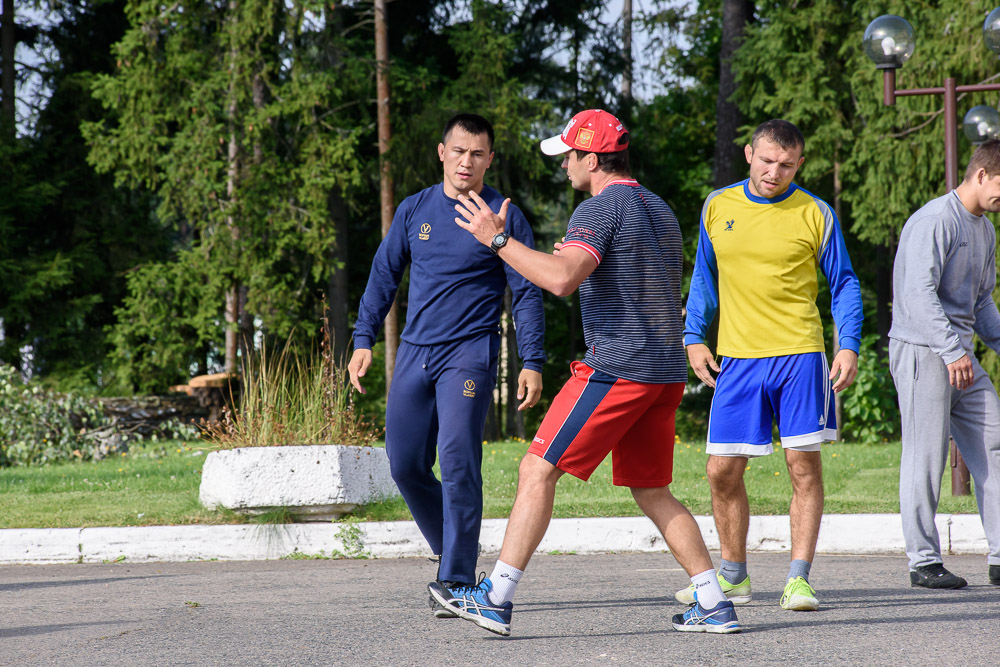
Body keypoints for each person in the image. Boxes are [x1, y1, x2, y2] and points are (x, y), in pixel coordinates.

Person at [429, 108, 742, 636]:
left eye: (570, 156)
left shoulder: (598, 208)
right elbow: (624, 276)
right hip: (664, 372)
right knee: (652, 489)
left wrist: (498, 241)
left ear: (592, 159)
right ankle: (714, 602)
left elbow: (560, 281)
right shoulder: (659, 207)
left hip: (617, 367)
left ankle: (496, 599)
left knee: (536, 470)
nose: (565, 165)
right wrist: (569, 261)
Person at [348, 113, 546, 614]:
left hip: (469, 355)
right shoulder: (415, 209)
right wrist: (363, 337)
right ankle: (453, 549)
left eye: (477, 153)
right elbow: (384, 275)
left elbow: (526, 291)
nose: (466, 161)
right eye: (459, 151)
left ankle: (455, 578)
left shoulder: (503, 215)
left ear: (489, 159)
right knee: (404, 463)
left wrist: (533, 359)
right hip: (415, 351)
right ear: (442, 152)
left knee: (458, 461)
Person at [681, 119, 863, 612]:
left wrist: (848, 344)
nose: (774, 172)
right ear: (749, 154)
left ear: (799, 164)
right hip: (737, 359)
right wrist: (694, 337)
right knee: (721, 469)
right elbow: (704, 276)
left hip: (800, 354)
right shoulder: (717, 206)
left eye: (785, 164)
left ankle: (798, 579)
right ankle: (733, 576)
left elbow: (844, 283)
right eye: (766, 160)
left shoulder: (816, 212)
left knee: (802, 465)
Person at [888, 139, 1000, 590]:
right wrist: (952, 350)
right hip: (924, 351)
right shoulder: (935, 220)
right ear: (982, 174)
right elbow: (917, 295)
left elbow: (982, 301)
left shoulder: (985, 229)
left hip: (961, 356)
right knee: (926, 456)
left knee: (993, 441)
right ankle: (923, 561)